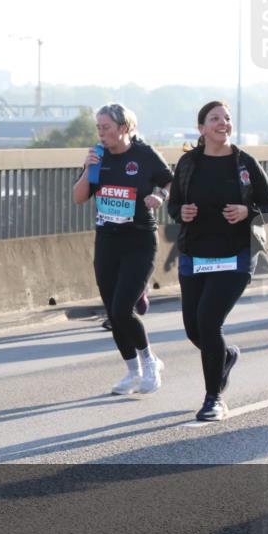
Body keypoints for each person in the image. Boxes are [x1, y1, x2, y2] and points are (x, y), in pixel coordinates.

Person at [167, 101, 268, 421]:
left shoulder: (245, 164)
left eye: (226, 118)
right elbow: (174, 206)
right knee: (193, 330)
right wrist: (181, 212)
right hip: (195, 255)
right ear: (201, 128)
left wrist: (247, 212)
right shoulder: (188, 163)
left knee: (209, 322)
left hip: (235, 256)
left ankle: (213, 398)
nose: (223, 123)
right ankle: (225, 356)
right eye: (215, 119)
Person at [72, 104, 173, 394]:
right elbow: (79, 198)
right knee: (113, 313)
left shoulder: (143, 155)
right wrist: (88, 169)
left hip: (139, 239)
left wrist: (160, 196)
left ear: (124, 128)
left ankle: (150, 361)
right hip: (108, 241)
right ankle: (132, 371)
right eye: (98, 128)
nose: (101, 133)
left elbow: (169, 182)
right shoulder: (98, 157)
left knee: (122, 308)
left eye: (106, 127)